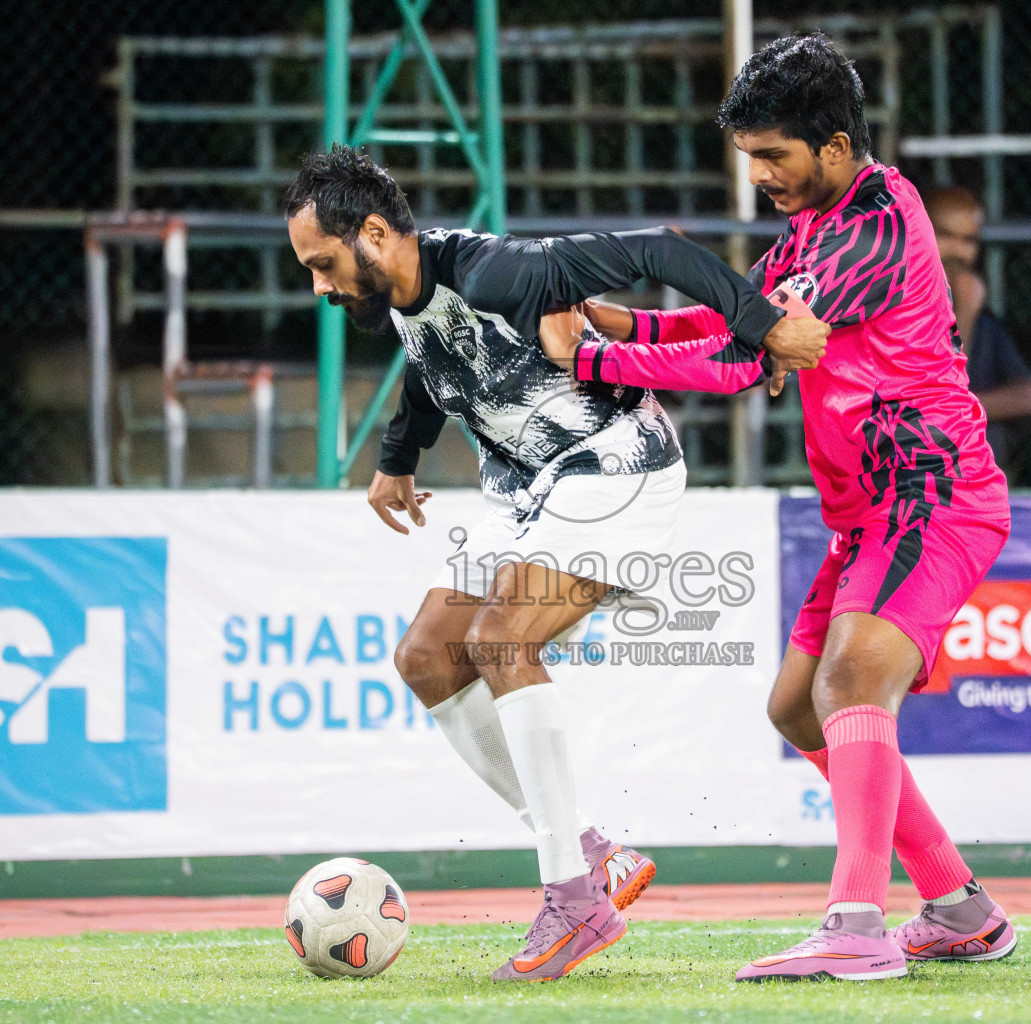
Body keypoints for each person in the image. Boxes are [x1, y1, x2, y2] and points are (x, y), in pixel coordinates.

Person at [282, 144, 828, 982]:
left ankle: (572, 901)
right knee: (426, 655)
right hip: (536, 490)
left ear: (378, 233)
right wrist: (399, 457)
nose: (319, 287)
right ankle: (591, 855)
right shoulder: (404, 295)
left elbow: (661, 250)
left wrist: (763, 328)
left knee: (503, 639)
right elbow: (435, 369)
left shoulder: (501, 270)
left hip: (618, 464)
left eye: (323, 264)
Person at [542, 34, 1016, 981]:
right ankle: (960, 907)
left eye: (774, 156)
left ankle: (855, 923)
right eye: (750, 157)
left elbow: (748, 356)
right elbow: (740, 319)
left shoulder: (877, 222)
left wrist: (590, 360)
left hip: (935, 492)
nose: (758, 176)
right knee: (800, 708)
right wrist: (626, 322)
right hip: (873, 515)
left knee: (849, 683)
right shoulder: (812, 228)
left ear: (835, 144)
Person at [924, 187, 1031, 467]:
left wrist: (962, 408)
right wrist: (963, 310)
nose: (959, 251)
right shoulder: (889, 307)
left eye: (968, 241)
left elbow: (1028, 397)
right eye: (946, 236)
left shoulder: (984, 320)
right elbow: (931, 394)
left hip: (977, 479)